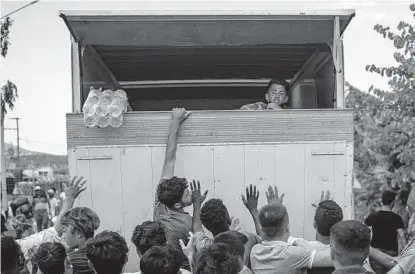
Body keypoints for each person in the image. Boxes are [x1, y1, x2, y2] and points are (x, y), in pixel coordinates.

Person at [153, 108, 207, 251]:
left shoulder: (160, 203)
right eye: (187, 194)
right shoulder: (185, 224)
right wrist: (197, 205)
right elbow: (200, 237)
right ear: (177, 205)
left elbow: (169, 159)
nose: (191, 193)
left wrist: (175, 122)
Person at [249, 201, 333, 274]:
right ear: (288, 228)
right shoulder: (293, 253)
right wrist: (325, 216)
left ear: (262, 229)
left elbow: (265, 237)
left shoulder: (254, 251)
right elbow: (336, 258)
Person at [365, 190, 407, 274]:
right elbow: (402, 236)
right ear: (393, 202)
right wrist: (406, 252)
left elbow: (364, 231)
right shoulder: (397, 218)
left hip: (375, 253)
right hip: (391, 254)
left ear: (382, 201)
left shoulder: (373, 216)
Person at [62, 207, 100, 274]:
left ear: (78, 233)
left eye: (65, 232)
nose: (63, 237)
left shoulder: (68, 262)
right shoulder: (105, 253)